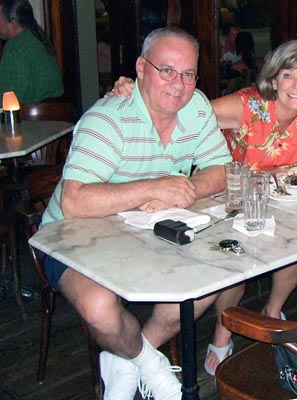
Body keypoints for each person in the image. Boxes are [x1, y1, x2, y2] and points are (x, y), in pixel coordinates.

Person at [111, 39, 297, 377]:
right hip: (225, 200)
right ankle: (222, 333)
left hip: (277, 203)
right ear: (274, 78)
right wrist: (131, 90)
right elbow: (177, 107)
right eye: (288, 75)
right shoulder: (247, 107)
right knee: (238, 265)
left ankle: (272, 309)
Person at [40, 27, 234, 400]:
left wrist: (185, 188)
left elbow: (220, 169)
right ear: (141, 69)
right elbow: (74, 201)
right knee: (99, 306)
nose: (178, 84)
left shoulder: (197, 108)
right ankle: (151, 363)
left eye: (188, 73)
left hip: (145, 232)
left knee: (210, 279)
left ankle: (127, 357)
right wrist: (154, 187)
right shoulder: (108, 119)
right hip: (69, 236)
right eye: (167, 70)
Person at [0, 0, 63, 103]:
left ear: (13, 22)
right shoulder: (38, 39)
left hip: (29, 117)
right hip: (54, 116)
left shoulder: (14, 49)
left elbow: (6, 101)